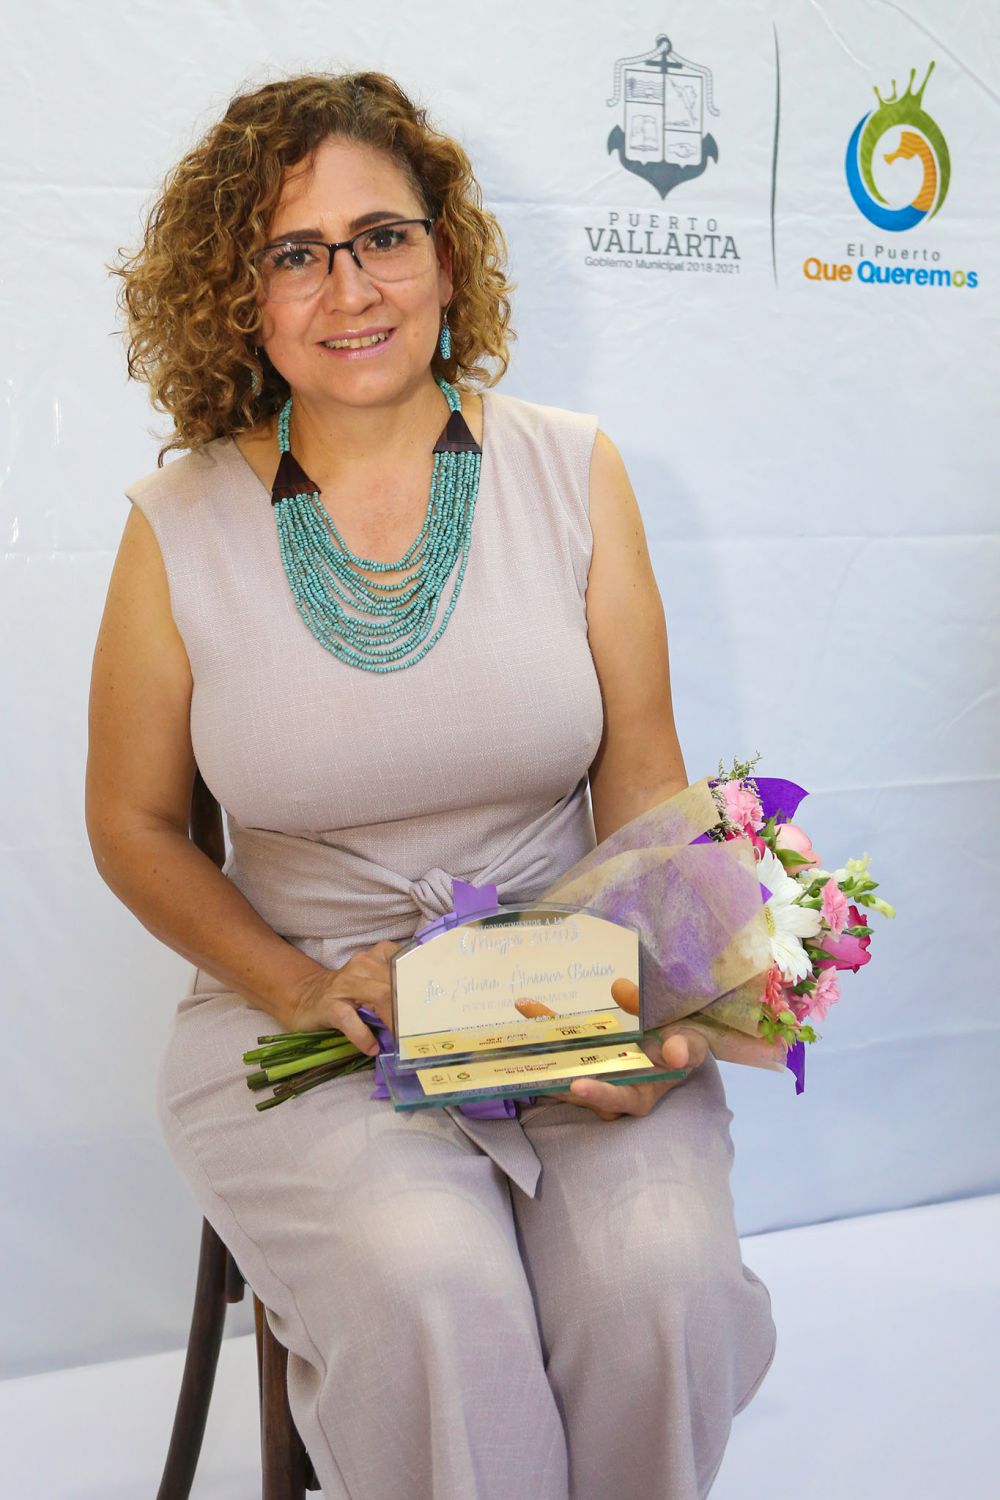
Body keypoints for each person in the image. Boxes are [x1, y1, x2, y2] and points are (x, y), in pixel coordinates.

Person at [85, 71, 776, 1500]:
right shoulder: (177, 526)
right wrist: (298, 988)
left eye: (382, 237)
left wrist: (668, 1005)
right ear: (241, 296)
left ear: (445, 258)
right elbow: (133, 825)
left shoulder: (575, 471)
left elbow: (644, 773)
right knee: (434, 1294)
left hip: (566, 989)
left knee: (663, 1288)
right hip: (318, 1014)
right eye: (295, 252)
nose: (349, 287)